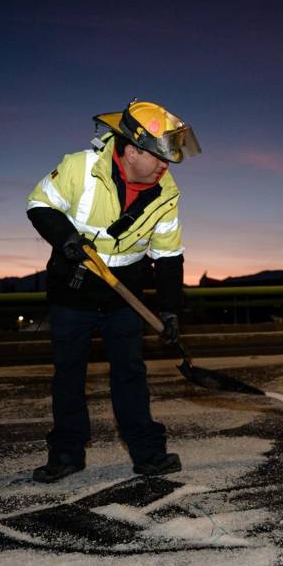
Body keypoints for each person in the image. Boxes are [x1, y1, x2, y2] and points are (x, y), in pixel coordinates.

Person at [25, 99, 200, 483]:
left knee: (130, 373)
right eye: (158, 157)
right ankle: (67, 454)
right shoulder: (79, 167)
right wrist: (65, 238)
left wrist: (170, 309)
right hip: (74, 289)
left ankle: (148, 454)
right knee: (69, 374)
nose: (164, 166)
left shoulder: (166, 191)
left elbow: (169, 255)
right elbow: (39, 203)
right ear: (133, 150)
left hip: (125, 294)